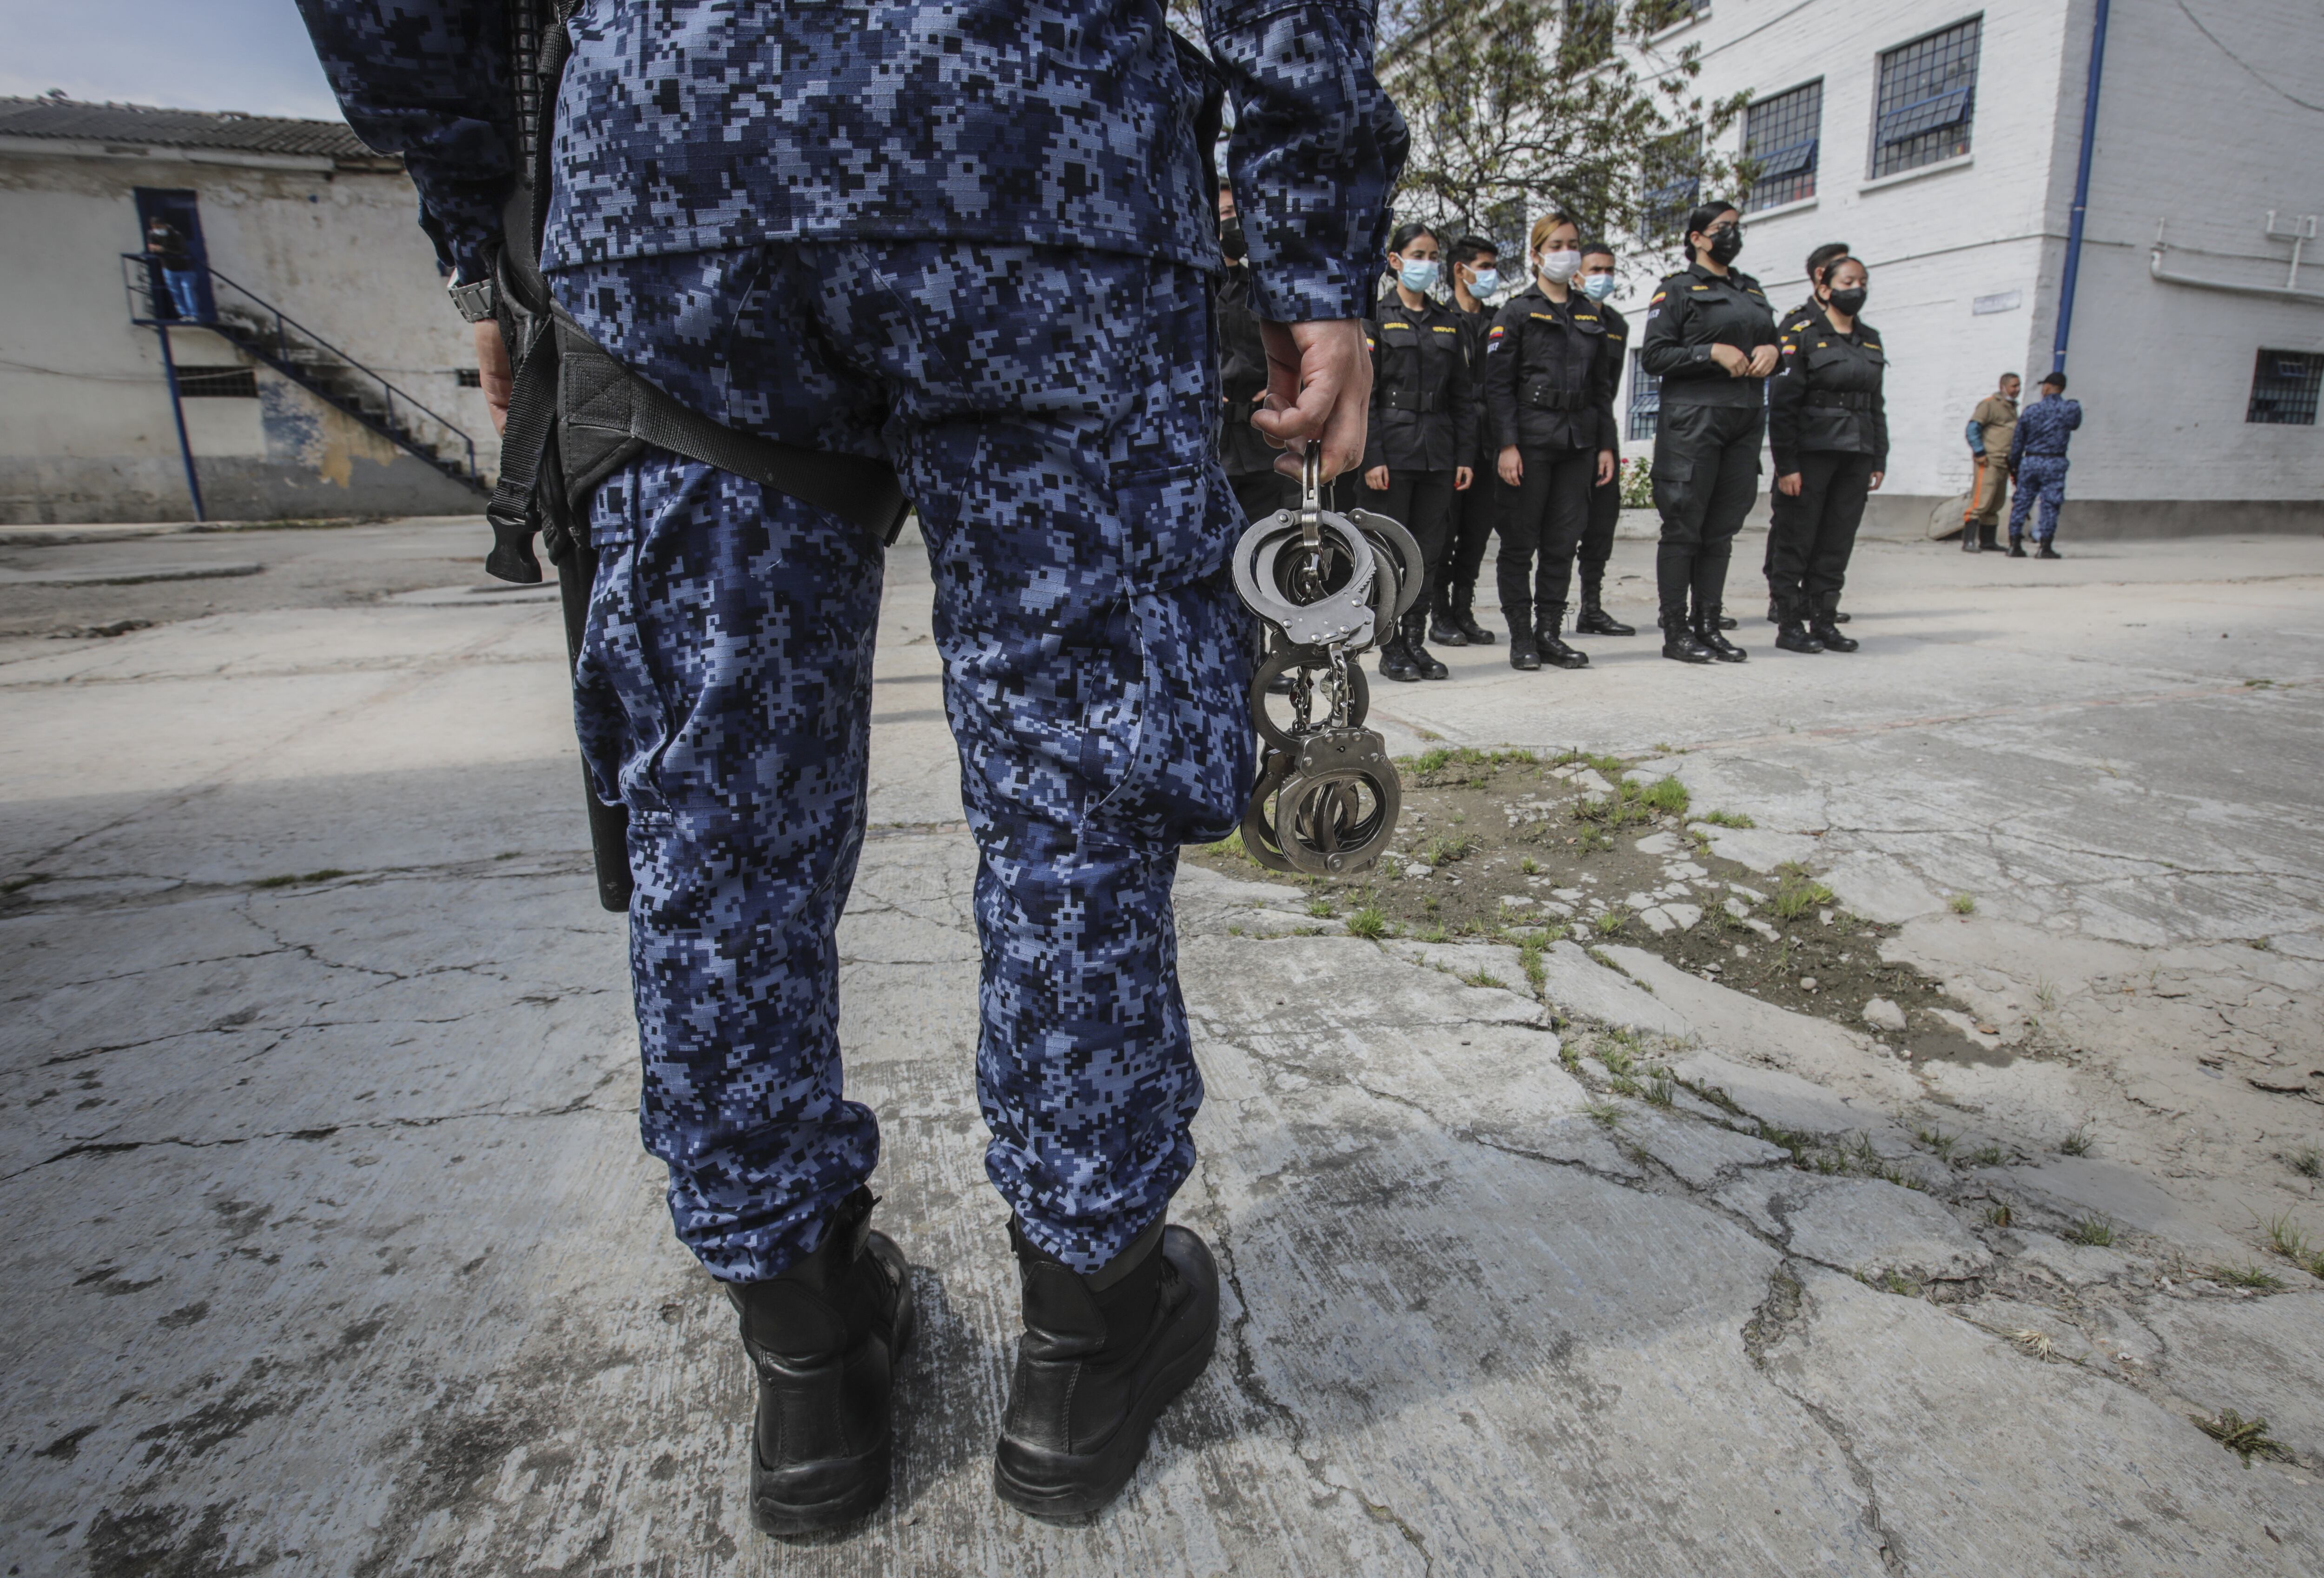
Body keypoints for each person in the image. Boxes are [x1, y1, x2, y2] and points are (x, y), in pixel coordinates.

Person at [296, 0, 1403, 1534]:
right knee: (1078, 770)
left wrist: (481, 222)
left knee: (712, 793)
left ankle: (809, 1360)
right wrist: (1311, 248)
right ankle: (1084, 1338)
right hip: (1039, 148)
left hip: (676, 173)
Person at [1639, 202, 1778, 663]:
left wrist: (1772, 353)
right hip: (1693, 421)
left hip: (1742, 418)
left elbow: (1772, 341)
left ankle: (1707, 625)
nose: (1732, 236)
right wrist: (1709, 352)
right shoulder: (1677, 290)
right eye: (1722, 229)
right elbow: (1654, 357)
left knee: (1720, 530)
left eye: (1736, 228)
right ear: (1697, 238)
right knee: (1683, 527)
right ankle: (1676, 631)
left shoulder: (1750, 290)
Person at [1481, 212, 1619, 672]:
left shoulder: (1587, 314)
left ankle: (1549, 635)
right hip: (1530, 442)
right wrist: (1506, 444)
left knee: (1562, 543)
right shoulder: (1515, 313)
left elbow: (1602, 389)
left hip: (1578, 443)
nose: (1567, 252)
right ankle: (1521, 638)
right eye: (1556, 244)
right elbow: (1496, 386)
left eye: (1573, 243)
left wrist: (1603, 445)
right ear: (1535, 255)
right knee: (1519, 544)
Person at [1361, 222, 1477, 682]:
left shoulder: (1450, 321)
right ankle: (1389, 648)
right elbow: (1364, 395)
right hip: (1391, 453)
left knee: (1429, 553)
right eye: (1417, 255)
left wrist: (1465, 456)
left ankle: (1415, 642)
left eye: (1432, 256)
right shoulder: (1375, 316)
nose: (1426, 264)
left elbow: (1462, 397)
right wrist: (1371, 457)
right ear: (1394, 261)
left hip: (1438, 453)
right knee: (1389, 555)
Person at [1765, 254, 1885, 654]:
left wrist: (1879, 457)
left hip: (1857, 453)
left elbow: (1876, 403)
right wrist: (1787, 465)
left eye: (1863, 282)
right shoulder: (1802, 331)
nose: (1858, 289)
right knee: (1796, 539)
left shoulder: (1870, 338)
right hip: (1812, 451)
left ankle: (1824, 621)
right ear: (1824, 288)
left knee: (1837, 541)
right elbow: (1783, 404)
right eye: (1849, 281)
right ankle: (1789, 624)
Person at [1765, 240, 1851, 622]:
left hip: (1843, 446)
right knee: (1791, 524)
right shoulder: (1797, 323)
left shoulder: (1852, 329)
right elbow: (1784, 396)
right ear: (1822, 276)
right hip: (1804, 444)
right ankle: (1781, 597)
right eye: (1843, 273)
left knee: (1830, 528)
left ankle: (1818, 599)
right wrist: (1788, 460)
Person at [1429, 234, 1502, 647]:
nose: (1491, 275)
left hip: (1489, 443)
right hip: (1451, 444)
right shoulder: (1442, 319)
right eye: (1485, 266)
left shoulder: (1499, 321)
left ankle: (1463, 610)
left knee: (1477, 535)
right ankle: (1439, 615)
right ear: (1461, 270)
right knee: (1446, 533)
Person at [1571, 242, 1636, 638]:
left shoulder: (1617, 324)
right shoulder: (1559, 316)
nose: (1604, 278)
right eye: (1596, 269)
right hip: (1560, 436)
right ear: (1577, 274)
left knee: (1601, 527)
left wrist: (1607, 445)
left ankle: (1591, 607)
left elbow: (1605, 393)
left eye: (1609, 270)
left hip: (1600, 433)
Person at [1216, 183, 1291, 527]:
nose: (1232, 223)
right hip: (1212, 445)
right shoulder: (1186, 289)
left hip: (1264, 442)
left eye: (1235, 213)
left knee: (1268, 551)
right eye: (1224, 215)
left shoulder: (1265, 287)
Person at [2007, 371, 2082, 558]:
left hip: (2031, 461)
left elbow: (2018, 441)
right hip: (2054, 461)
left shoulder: (2032, 411)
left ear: (2047, 387)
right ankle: (2045, 546)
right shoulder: (2070, 409)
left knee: (2022, 502)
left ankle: (2014, 545)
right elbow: (2075, 424)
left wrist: (2014, 464)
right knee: (2050, 503)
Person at [1962, 372, 2021, 552]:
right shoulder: (1989, 404)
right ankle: (1969, 541)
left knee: (1996, 503)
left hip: (2005, 462)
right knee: (1981, 501)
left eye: (2019, 386)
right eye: (2014, 386)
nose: (2017, 390)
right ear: (2003, 386)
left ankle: (1988, 541)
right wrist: (1979, 452)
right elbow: (1973, 428)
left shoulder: (2011, 407)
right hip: (1989, 461)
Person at [144, 216, 203, 321]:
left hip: (185, 268)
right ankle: (184, 314)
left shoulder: (176, 235)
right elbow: (152, 248)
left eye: (158, 227)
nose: (156, 229)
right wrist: (155, 249)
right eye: (154, 227)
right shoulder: (152, 235)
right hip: (168, 268)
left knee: (188, 290)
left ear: (165, 225)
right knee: (176, 292)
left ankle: (194, 315)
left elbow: (180, 250)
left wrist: (163, 249)